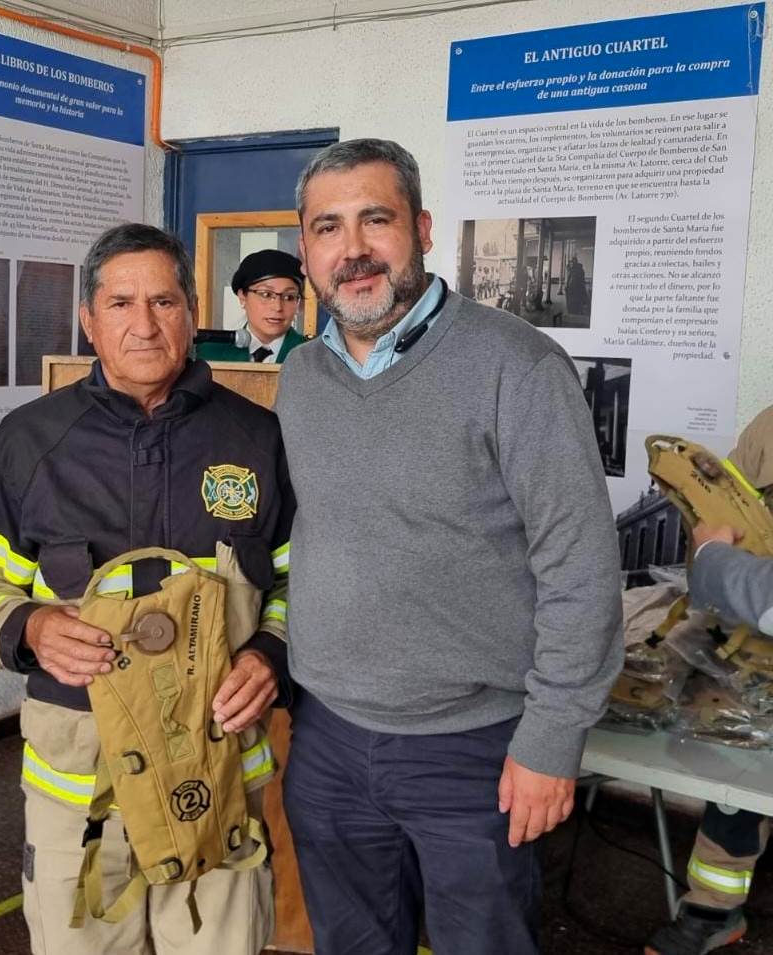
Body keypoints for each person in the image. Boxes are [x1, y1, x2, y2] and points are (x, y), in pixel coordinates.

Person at [275, 138, 623, 955]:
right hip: (326, 738)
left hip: (473, 748)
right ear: (306, 251)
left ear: (422, 228)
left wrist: (550, 738)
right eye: (329, 227)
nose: (353, 247)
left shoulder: (515, 366)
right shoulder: (301, 377)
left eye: (376, 219)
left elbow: (580, 565)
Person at [0, 223, 294, 955]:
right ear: (88, 319)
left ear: (192, 314)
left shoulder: (259, 439)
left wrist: (269, 653)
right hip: (81, 789)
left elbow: (302, 580)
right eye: (122, 302)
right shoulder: (27, 441)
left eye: (164, 301)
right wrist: (28, 629)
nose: (144, 324)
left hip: (216, 774)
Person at [645, 406, 773, 955]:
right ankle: (712, 907)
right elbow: (722, 517)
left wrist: (718, 564)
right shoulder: (770, 428)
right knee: (733, 761)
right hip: (758, 645)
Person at [195, 249, 308, 364]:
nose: (278, 307)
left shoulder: (313, 356)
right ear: (242, 297)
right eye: (266, 294)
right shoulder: (210, 353)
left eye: (289, 297)